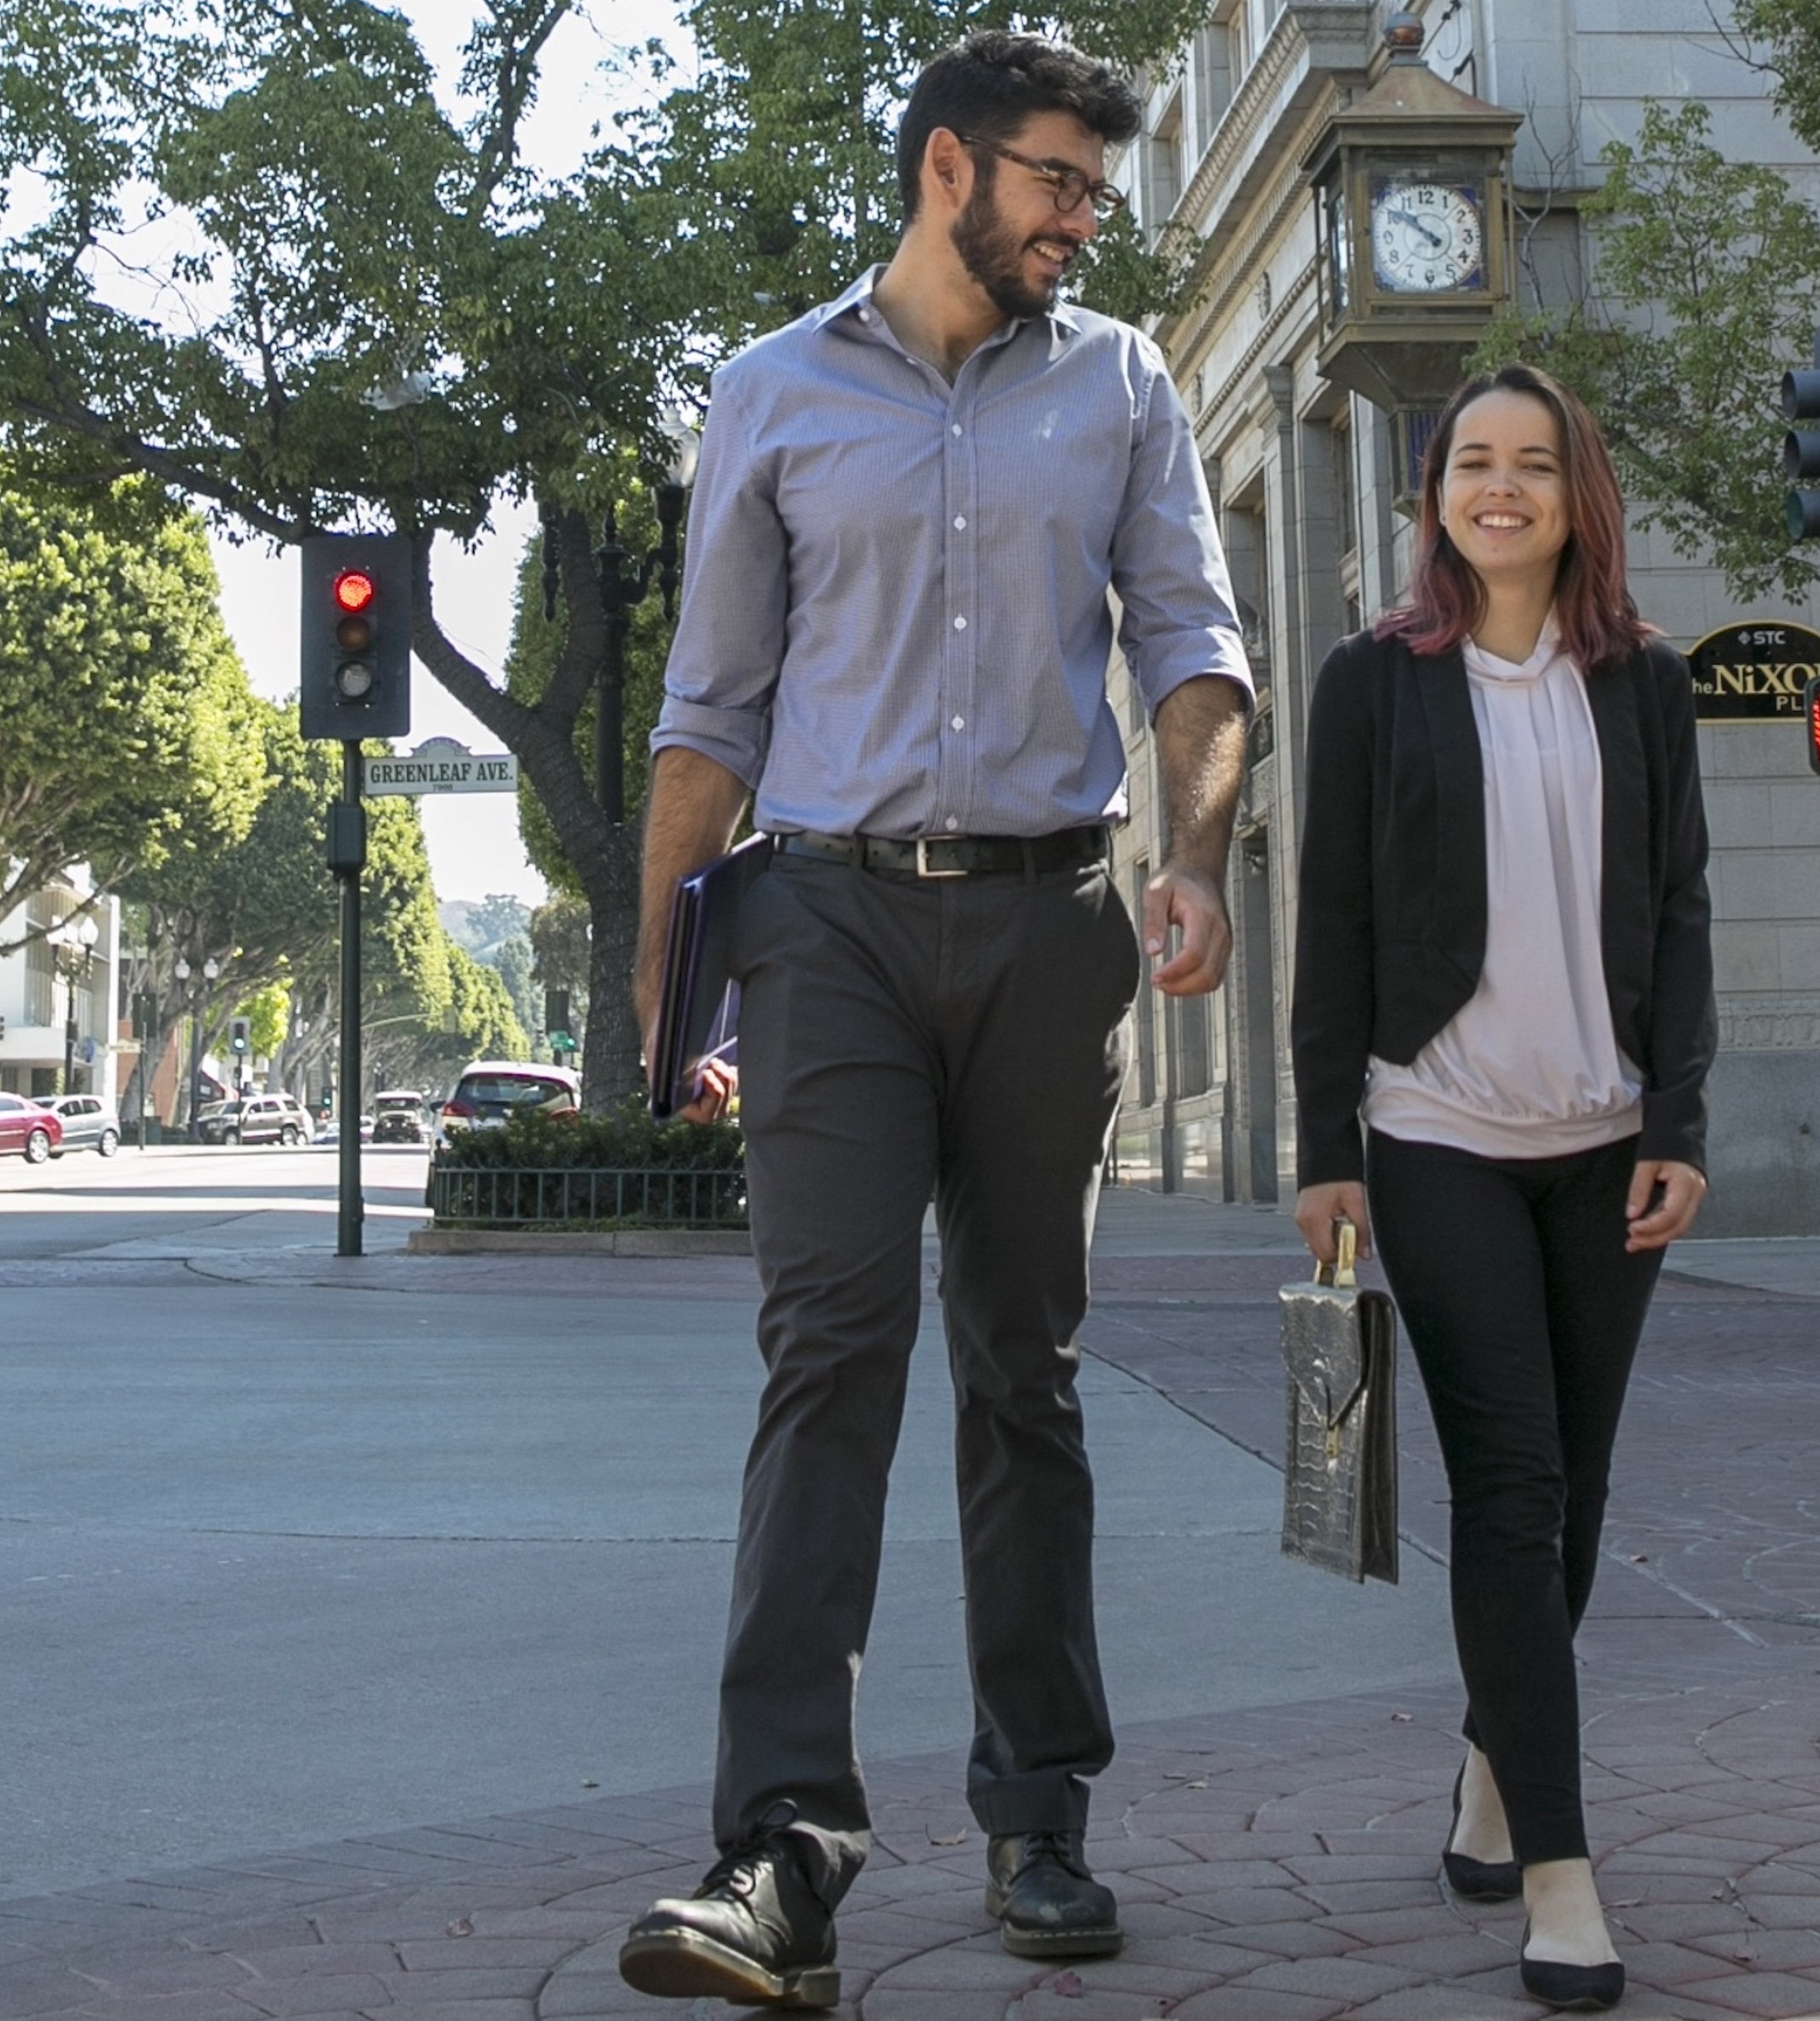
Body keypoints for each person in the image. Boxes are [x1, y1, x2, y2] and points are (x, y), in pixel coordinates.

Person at [616, 31, 1252, 2011]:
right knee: (827, 1355)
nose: (1084, 219)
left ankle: (1038, 1811)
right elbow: (710, 711)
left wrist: (1202, 852)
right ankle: (781, 1858)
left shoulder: (1126, 383)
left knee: (1024, 1365)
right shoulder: (775, 389)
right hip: (825, 923)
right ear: (948, 170)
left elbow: (1196, 646)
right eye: (1060, 180)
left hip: (1057, 918)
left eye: (1096, 189)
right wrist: (654, 984)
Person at [1290, 364, 1714, 2013]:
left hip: (1609, 1144)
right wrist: (1326, 1148)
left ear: (1575, 497)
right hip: (1440, 1133)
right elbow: (1333, 926)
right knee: (1515, 1491)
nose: (1503, 487)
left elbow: (1680, 907)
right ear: (1437, 496)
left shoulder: (1648, 681)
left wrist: (1679, 1116)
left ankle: (1491, 1778)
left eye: (1535, 464)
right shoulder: (1373, 681)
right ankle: (1561, 1877)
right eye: (1475, 461)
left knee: (1580, 1499)